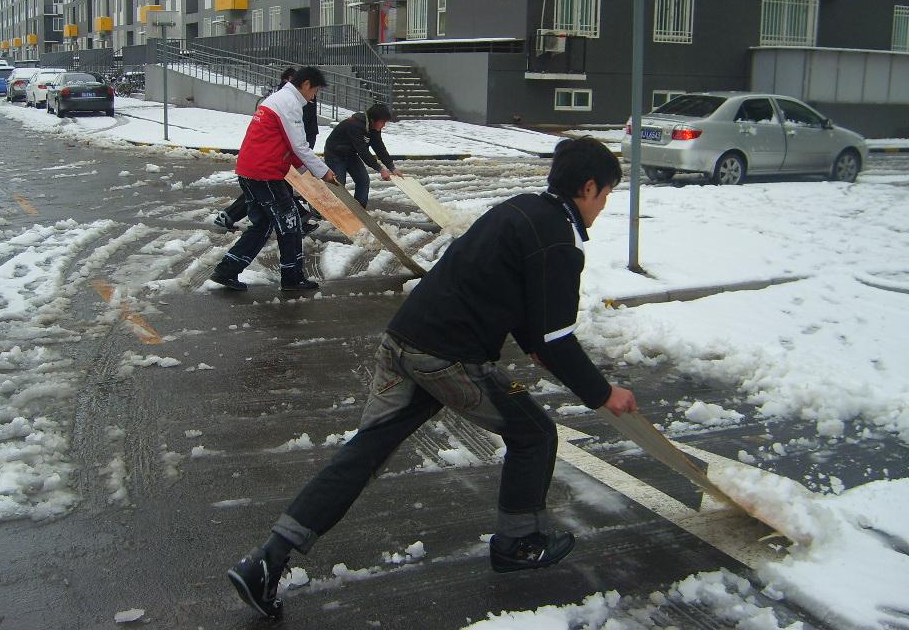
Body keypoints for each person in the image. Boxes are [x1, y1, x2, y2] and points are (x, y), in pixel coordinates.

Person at [227, 137, 638, 619]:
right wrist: (602, 392)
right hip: (447, 359)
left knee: (365, 452)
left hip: (403, 341)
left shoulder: (522, 209)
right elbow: (557, 337)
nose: (604, 205)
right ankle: (518, 543)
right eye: (606, 194)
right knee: (534, 432)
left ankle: (266, 560)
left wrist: (532, 343)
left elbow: (514, 295)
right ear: (587, 187)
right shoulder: (558, 239)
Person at [209, 67, 336, 292]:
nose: (314, 96)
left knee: (263, 224)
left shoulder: (278, 99)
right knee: (291, 224)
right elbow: (299, 145)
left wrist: (305, 170)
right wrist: (323, 172)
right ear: (306, 84)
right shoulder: (289, 103)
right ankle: (292, 278)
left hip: (251, 170)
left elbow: (286, 144)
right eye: (315, 90)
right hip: (265, 173)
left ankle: (226, 271)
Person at [213, 68, 316, 232]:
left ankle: (296, 221)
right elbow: (293, 134)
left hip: (275, 157)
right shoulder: (288, 99)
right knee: (272, 195)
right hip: (271, 160)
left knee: (267, 198)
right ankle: (296, 224)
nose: (314, 95)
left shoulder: (283, 97)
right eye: (315, 90)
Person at [323, 103, 401, 208]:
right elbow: (363, 151)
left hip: (350, 154)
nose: (384, 125)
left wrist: (392, 167)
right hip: (335, 154)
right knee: (338, 185)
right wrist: (380, 169)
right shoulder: (355, 125)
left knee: (363, 180)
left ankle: (359, 210)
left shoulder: (373, 128)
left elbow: (379, 148)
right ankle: (330, 210)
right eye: (383, 122)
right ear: (373, 119)